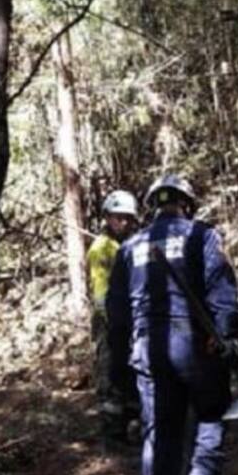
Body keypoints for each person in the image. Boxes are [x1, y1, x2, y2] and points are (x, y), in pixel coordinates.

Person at [105, 174, 238, 475]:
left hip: (146, 348)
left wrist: (120, 367)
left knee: (159, 430)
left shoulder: (129, 247)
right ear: (187, 203)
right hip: (194, 341)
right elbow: (221, 290)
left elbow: (116, 315)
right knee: (212, 409)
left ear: (152, 207)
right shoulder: (203, 236)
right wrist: (227, 336)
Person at [85, 190, 141, 445]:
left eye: (128, 218)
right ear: (107, 217)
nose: (124, 223)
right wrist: (113, 321)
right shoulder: (101, 249)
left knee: (131, 370)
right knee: (110, 373)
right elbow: (101, 292)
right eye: (119, 217)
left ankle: (134, 422)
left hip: (129, 316)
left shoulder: (130, 244)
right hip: (109, 321)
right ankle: (112, 432)